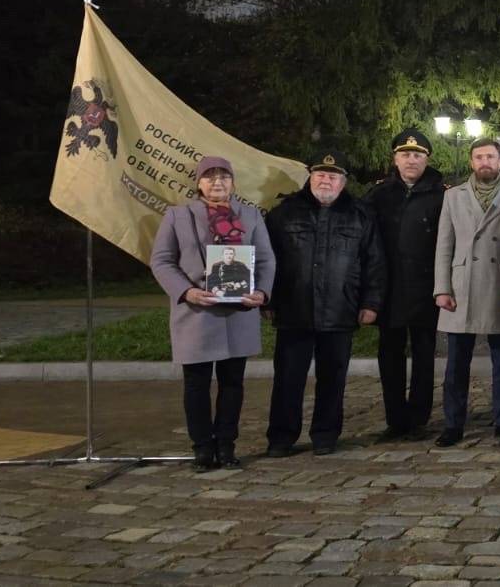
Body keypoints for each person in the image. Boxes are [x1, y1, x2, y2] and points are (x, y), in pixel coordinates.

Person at [150, 156, 274, 470]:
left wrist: (261, 291)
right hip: (196, 312)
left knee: (233, 383)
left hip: (239, 312)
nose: (217, 182)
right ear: (199, 183)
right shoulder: (178, 216)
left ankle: (226, 445)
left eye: (224, 177)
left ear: (232, 182)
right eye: (210, 177)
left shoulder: (251, 215)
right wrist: (186, 291)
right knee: (197, 383)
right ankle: (202, 447)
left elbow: (266, 260)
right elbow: (162, 261)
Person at [264, 150, 384, 458]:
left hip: (340, 309)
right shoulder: (284, 213)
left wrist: (371, 302)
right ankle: (281, 437)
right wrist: (268, 299)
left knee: (333, 379)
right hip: (294, 309)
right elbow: (267, 260)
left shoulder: (361, 214)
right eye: (320, 175)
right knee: (288, 379)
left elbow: (374, 262)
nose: (326, 180)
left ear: (343, 181)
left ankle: (326, 434)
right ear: (310, 176)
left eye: (333, 176)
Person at [433, 139, 500, 448]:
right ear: (471, 162)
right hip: (462, 288)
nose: (485, 161)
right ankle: (453, 424)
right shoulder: (453, 196)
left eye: (491, 156)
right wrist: (441, 289)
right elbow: (444, 246)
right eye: (479, 157)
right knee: (455, 366)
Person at [365, 129, 446, 442]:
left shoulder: (441, 194)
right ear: (395, 159)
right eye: (405, 155)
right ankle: (395, 418)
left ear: (427, 160)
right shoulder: (378, 195)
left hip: (426, 288)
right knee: (390, 356)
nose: (411, 160)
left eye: (418, 155)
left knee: (425, 356)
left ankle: (419, 418)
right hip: (389, 289)